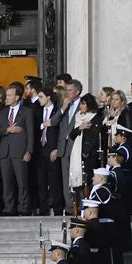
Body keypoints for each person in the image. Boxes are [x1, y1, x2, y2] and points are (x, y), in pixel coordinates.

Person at [0, 83, 35, 216]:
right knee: (7, 182)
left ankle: (24, 207)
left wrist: (29, 151)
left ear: (17, 97)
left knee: (22, 182)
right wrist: (7, 130)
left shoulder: (27, 112)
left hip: (20, 151)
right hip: (5, 152)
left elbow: (31, 133)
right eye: (7, 95)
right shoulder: (3, 112)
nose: (7, 97)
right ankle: (8, 208)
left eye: (10, 95)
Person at [52, 79, 84, 211]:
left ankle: (80, 206)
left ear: (77, 91)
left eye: (70, 90)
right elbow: (53, 122)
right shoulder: (63, 104)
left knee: (78, 177)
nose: (67, 93)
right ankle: (69, 207)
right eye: (66, 90)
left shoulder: (83, 103)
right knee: (66, 179)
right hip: (63, 147)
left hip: (76, 146)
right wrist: (63, 107)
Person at [36, 87, 62, 215]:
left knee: (55, 181)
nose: (39, 99)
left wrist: (57, 148)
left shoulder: (57, 111)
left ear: (48, 97)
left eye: (41, 97)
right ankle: (43, 209)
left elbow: (61, 132)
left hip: (52, 150)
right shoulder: (37, 111)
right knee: (41, 182)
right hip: (40, 150)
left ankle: (57, 208)